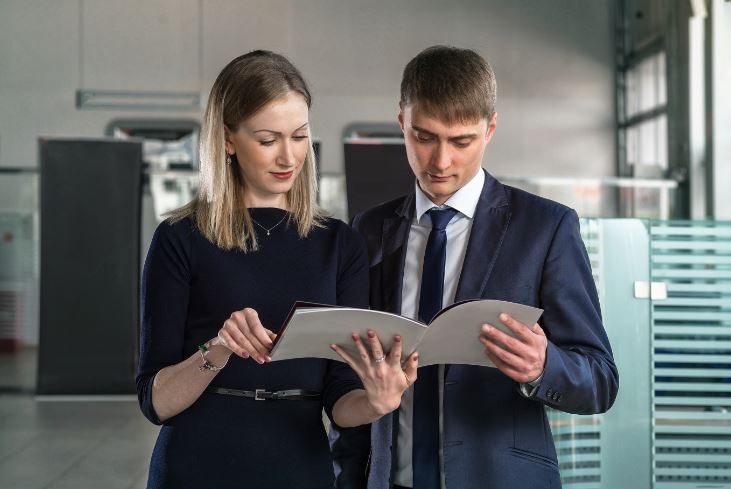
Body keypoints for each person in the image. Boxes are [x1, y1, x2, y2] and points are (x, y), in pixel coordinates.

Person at [338, 45, 620, 489]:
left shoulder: (545, 228)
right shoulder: (369, 229)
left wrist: (543, 366)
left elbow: (600, 380)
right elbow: (352, 372)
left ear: (490, 129)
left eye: (461, 141)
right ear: (402, 124)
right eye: (424, 137)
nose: (440, 161)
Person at [136, 50, 417, 489]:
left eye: (300, 136)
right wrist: (220, 349)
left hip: (299, 465)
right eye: (268, 140)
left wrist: (376, 402)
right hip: (197, 464)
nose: (289, 157)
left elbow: (340, 397)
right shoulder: (181, 238)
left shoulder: (340, 243)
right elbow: (155, 402)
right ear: (228, 139)